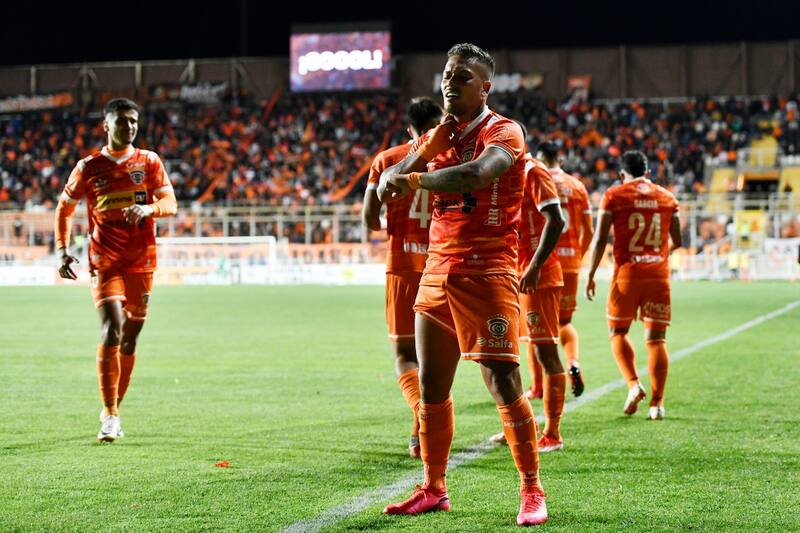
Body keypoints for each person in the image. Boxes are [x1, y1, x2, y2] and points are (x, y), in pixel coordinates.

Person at [378, 43, 548, 526]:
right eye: (447, 75)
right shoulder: (440, 134)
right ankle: (434, 487)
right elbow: (392, 177)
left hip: (488, 271)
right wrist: (416, 158)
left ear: (485, 87)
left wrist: (417, 181)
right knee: (432, 387)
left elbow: (478, 173)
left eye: (463, 77)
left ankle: (532, 489)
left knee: (502, 381)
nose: (450, 83)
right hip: (437, 271)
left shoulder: (504, 131)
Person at [54, 98, 177, 442]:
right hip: (105, 261)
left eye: (134, 121)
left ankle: (114, 407)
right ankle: (109, 414)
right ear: (106, 125)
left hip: (142, 261)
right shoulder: (89, 167)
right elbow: (64, 208)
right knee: (112, 328)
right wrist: (62, 250)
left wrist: (149, 209)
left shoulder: (149, 161)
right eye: (123, 121)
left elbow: (170, 203)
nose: (130, 127)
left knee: (130, 336)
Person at [362, 97, 444, 458]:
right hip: (441, 264)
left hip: (403, 265)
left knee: (405, 354)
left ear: (409, 127)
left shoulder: (387, 159)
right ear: (439, 122)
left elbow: (370, 219)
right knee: (435, 358)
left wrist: (391, 220)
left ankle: (420, 417)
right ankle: (420, 432)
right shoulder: (452, 158)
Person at [585, 150, 681, 420]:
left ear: (621, 175)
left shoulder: (613, 196)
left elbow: (600, 239)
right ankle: (657, 405)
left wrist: (591, 274)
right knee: (656, 339)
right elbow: (678, 241)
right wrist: (659, 254)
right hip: (658, 276)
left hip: (627, 275)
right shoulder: (668, 197)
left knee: (617, 331)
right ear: (648, 173)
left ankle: (633, 384)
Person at [491, 147, 567, 453]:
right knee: (509, 354)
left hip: (539, 275)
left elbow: (557, 221)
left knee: (546, 351)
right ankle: (523, 424)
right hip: (513, 273)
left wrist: (534, 266)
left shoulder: (533, 171)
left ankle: (553, 433)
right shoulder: (502, 172)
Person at [538, 141, 593, 398]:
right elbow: (589, 231)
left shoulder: (536, 181)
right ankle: (572, 362)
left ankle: (538, 386)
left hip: (542, 262)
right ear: (560, 159)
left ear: (540, 159)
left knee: (537, 326)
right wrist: (578, 256)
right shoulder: (577, 186)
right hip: (570, 264)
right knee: (565, 321)